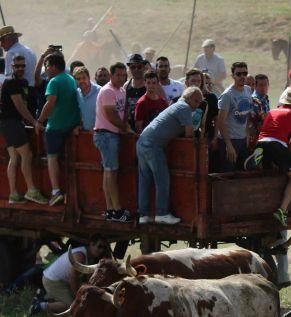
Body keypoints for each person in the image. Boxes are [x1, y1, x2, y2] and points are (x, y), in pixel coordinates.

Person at [243, 90, 291, 226]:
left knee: (270, 169)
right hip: (277, 145)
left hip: (262, 142)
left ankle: (260, 156)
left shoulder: (272, 111)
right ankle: (282, 210)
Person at [136, 87, 204, 225]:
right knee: (162, 179)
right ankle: (162, 213)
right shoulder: (184, 108)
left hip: (142, 142)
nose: (197, 105)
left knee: (145, 180)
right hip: (153, 146)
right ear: (189, 98)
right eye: (196, 101)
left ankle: (144, 215)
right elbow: (189, 133)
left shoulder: (176, 106)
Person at [35, 53, 80, 207]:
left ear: (53, 66)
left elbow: (50, 103)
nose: (46, 70)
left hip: (56, 127)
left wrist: (39, 121)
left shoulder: (53, 82)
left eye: (46, 67)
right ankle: (70, 191)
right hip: (71, 125)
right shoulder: (70, 79)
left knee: (52, 157)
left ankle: (56, 192)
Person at [1, 54, 46, 204]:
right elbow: (20, 106)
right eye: (17, 66)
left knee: (14, 158)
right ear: (11, 67)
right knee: (27, 155)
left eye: (22, 66)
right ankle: (31, 190)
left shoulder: (23, 82)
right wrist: (34, 122)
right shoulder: (11, 83)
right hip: (12, 123)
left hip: (10, 123)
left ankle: (13, 194)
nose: (20, 68)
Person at [32, 235, 108, 316]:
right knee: (71, 306)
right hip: (53, 280)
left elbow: (88, 279)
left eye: (104, 248)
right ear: (91, 244)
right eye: (99, 246)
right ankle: (39, 306)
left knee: (74, 300)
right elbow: (73, 278)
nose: (101, 250)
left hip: (59, 280)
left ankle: (45, 296)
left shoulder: (89, 255)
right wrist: (79, 295)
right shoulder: (80, 256)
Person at [93, 62, 132, 222]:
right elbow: (111, 115)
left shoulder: (121, 90)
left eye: (123, 75)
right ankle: (116, 210)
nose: (121, 78)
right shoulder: (108, 91)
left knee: (109, 173)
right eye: (118, 75)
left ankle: (110, 209)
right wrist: (125, 127)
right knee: (111, 172)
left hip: (111, 134)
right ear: (111, 75)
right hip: (106, 134)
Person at [215, 62, 253, 172]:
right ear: (233, 76)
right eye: (239, 74)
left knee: (242, 174)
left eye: (244, 73)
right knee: (227, 175)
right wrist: (228, 144)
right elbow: (220, 121)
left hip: (242, 140)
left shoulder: (248, 90)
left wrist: (247, 133)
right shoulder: (228, 95)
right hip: (229, 140)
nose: (242, 76)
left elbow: (247, 114)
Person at [185, 68, 217, 140]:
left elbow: (202, 125)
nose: (196, 84)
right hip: (180, 140)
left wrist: (201, 140)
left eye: (199, 81)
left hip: (196, 140)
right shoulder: (178, 101)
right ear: (186, 83)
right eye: (193, 81)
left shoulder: (204, 103)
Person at [124, 53, 148, 129]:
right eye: (133, 67)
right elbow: (123, 108)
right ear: (129, 69)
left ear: (144, 67)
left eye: (139, 67)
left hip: (147, 126)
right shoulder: (126, 86)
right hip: (130, 127)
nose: (136, 69)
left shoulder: (150, 84)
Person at [73, 65, 101, 130]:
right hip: (86, 133)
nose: (81, 81)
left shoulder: (100, 91)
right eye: (78, 79)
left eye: (84, 78)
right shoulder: (77, 93)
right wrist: (80, 126)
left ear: (89, 78)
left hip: (101, 134)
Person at [249, 73, 270, 144]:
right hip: (255, 139)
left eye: (265, 85)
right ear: (255, 86)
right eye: (261, 85)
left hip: (263, 136)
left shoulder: (265, 98)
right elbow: (255, 124)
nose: (263, 87)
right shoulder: (254, 101)